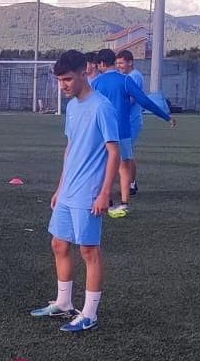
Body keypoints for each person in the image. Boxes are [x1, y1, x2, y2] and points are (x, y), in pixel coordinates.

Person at [30, 49, 119, 333]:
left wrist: (105, 193)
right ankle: (64, 303)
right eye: (60, 80)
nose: (63, 85)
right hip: (69, 190)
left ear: (84, 72)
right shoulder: (72, 107)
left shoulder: (102, 106)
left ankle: (90, 313)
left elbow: (114, 152)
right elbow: (71, 147)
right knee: (59, 244)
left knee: (89, 251)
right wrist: (60, 187)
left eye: (67, 79)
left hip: (89, 191)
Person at [92, 48, 174, 216]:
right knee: (123, 166)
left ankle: (106, 199)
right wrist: (166, 116)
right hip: (122, 130)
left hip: (102, 131)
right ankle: (124, 202)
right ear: (114, 61)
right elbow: (144, 100)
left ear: (100, 64)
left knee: (102, 165)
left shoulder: (96, 83)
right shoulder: (125, 80)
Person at [115, 48, 145, 194]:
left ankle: (130, 184)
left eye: (121, 63)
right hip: (129, 120)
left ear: (130, 62)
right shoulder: (130, 76)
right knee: (127, 153)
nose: (119, 66)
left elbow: (133, 99)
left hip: (132, 121)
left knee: (125, 155)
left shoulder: (134, 76)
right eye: (117, 63)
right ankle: (131, 183)